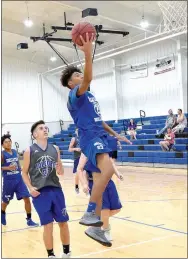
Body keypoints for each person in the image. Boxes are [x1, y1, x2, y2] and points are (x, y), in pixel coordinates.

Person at [60, 33, 130, 246]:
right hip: (89, 137)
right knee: (107, 171)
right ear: (71, 83)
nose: (82, 77)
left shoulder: (90, 97)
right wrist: (88, 52)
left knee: (106, 173)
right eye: (78, 76)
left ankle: (95, 227)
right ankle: (90, 213)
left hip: (99, 134)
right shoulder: (75, 96)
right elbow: (89, 78)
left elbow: (100, 120)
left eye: (82, 75)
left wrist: (115, 134)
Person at [22, 120, 71, 258]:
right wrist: (30, 187)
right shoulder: (29, 151)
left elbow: (60, 172)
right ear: (35, 134)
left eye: (46, 128)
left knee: (63, 222)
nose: (45, 130)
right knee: (48, 225)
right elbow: (24, 172)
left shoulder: (55, 148)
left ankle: (67, 253)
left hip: (56, 190)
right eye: (41, 128)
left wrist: (60, 168)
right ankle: (51, 255)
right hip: (40, 192)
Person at [80, 160, 123, 242]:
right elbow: (84, 171)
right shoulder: (89, 153)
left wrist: (117, 173)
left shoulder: (105, 151)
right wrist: (85, 184)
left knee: (117, 209)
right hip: (96, 183)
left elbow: (111, 163)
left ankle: (95, 223)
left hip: (108, 182)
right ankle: (106, 231)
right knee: (105, 209)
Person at [1, 134, 38, 227]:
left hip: (19, 180)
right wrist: (8, 168)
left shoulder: (14, 151)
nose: (8, 143)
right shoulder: (2, 154)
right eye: (6, 142)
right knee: (6, 201)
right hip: (8, 181)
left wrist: (21, 169)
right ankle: (2, 213)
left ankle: (29, 220)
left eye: (9, 141)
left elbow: (17, 164)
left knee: (27, 198)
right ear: (2, 145)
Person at [68, 128, 81, 194]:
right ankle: (76, 187)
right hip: (77, 158)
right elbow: (69, 149)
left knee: (86, 173)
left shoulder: (85, 138)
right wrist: (76, 149)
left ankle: (87, 187)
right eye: (78, 130)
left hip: (85, 158)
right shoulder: (74, 139)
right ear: (76, 132)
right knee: (77, 174)